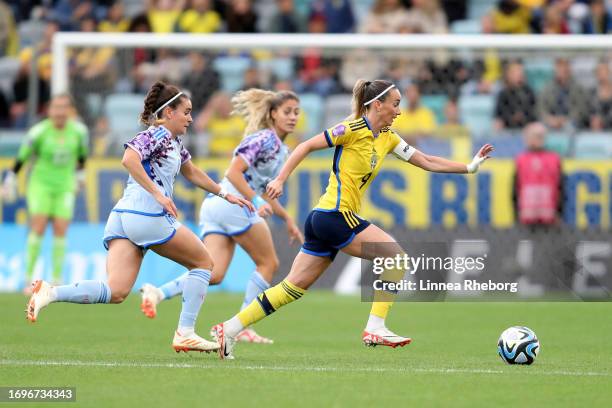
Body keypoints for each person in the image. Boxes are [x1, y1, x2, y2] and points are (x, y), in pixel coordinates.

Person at [211, 79, 494, 359]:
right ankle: (376, 327)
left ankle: (229, 328)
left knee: (291, 288)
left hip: (325, 219)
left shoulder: (389, 137)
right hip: (334, 216)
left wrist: (468, 167)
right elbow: (305, 146)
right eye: (395, 104)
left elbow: (427, 161)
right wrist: (281, 178)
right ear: (377, 104)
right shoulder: (351, 128)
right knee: (394, 257)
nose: (399, 111)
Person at [24, 81, 254, 354]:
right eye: (186, 112)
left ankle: (50, 292)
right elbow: (129, 159)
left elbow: (192, 172)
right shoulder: (158, 134)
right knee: (204, 263)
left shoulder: (174, 142)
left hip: (123, 217)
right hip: (146, 215)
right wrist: (158, 195)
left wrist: (224, 194)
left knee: (117, 291)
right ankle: (186, 332)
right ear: (169, 113)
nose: (191, 118)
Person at [139, 89, 304, 345]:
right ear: (272, 114)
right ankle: (242, 326)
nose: (293, 117)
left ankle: (158, 293)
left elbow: (260, 186)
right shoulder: (263, 139)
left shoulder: (281, 148)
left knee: (213, 273)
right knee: (269, 263)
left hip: (218, 206)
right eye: (287, 111)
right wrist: (256, 201)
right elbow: (235, 173)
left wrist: (287, 219)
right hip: (234, 203)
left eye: (296, 112)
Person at [2, 94, 88, 292]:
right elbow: (22, 157)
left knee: (60, 228)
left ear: (69, 110)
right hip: (40, 184)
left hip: (65, 185)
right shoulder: (38, 132)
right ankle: (28, 279)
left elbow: (82, 156)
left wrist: (81, 176)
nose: (60, 112)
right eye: (56, 107)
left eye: (64, 107)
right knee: (38, 226)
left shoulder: (79, 132)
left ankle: (57, 279)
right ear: (49, 110)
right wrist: (10, 178)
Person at [513, 122, 563, 226]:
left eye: (540, 136)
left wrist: (559, 212)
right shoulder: (521, 160)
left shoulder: (554, 159)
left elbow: (561, 187)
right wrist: (516, 215)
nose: (537, 139)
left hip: (549, 216)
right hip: (526, 216)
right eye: (533, 136)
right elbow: (515, 189)